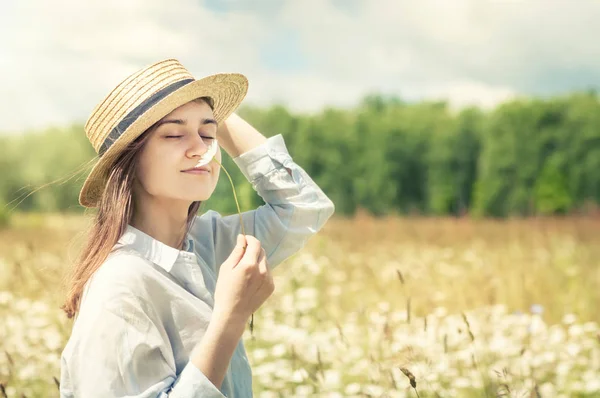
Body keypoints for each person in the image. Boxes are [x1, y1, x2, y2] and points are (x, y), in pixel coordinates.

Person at [58, 59, 335, 397]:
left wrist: (206, 104)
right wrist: (230, 318)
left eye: (208, 133)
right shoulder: (119, 287)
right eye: (174, 134)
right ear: (128, 162)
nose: (201, 149)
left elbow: (305, 207)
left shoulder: (207, 242)